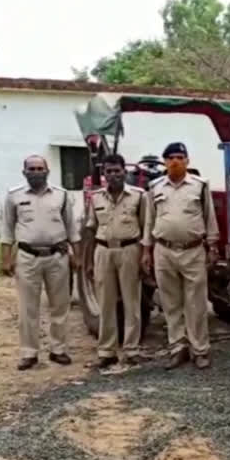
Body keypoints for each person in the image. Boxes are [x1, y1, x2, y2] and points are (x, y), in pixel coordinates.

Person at [142, 142, 219, 370]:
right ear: (164, 162)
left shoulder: (200, 186)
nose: (175, 161)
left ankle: (200, 350)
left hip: (193, 250)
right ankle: (177, 348)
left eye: (179, 157)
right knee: (170, 303)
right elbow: (149, 220)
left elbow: (209, 216)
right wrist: (146, 250)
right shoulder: (155, 187)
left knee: (196, 304)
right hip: (163, 250)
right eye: (170, 158)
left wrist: (213, 246)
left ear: (187, 161)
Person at [0, 155, 81, 370]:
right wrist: (6, 258)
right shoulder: (14, 196)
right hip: (27, 257)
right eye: (32, 168)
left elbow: (72, 228)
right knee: (28, 307)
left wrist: (78, 256)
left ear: (47, 171)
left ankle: (58, 350)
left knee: (60, 305)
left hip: (57, 256)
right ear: (24, 172)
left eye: (40, 168)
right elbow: (7, 229)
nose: (36, 172)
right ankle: (29, 353)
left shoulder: (61, 195)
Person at [84, 153, 148, 368]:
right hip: (103, 251)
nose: (113, 175)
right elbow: (91, 228)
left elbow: (145, 228)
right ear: (104, 174)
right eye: (109, 171)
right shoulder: (96, 198)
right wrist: (89, 261)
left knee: (132, 302)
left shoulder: (139, 196)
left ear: (124, 171)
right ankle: (107, 351)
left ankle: (131, 350)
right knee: (106, 303)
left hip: (129, 249)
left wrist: (144, 256)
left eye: (117, 170)